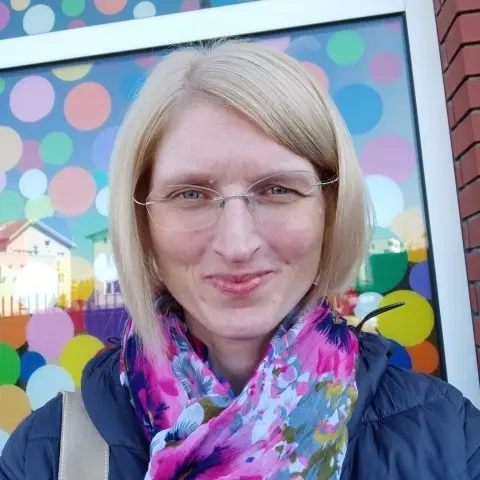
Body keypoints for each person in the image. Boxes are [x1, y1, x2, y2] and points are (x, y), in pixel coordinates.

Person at [1, 40, 480, 480]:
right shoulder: (43, 457)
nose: (237, 244)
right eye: (190, 194)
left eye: (278, 189)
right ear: (142, 224)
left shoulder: (451, 440)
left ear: (330, 209)